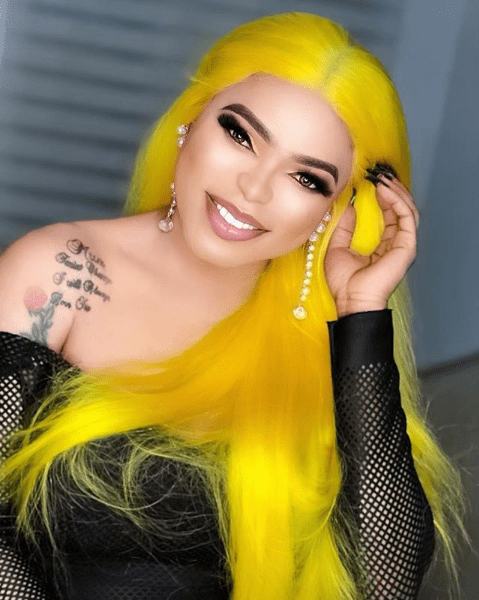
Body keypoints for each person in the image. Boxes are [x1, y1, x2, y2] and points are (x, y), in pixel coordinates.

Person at [0, 11, 463, 600]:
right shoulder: (62, 274)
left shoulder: (328, 339)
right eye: (241, 136)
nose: (254, 188)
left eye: (307, 179)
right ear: (192, 118)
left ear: (335, 210)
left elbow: (385, 584)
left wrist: (362, 312)